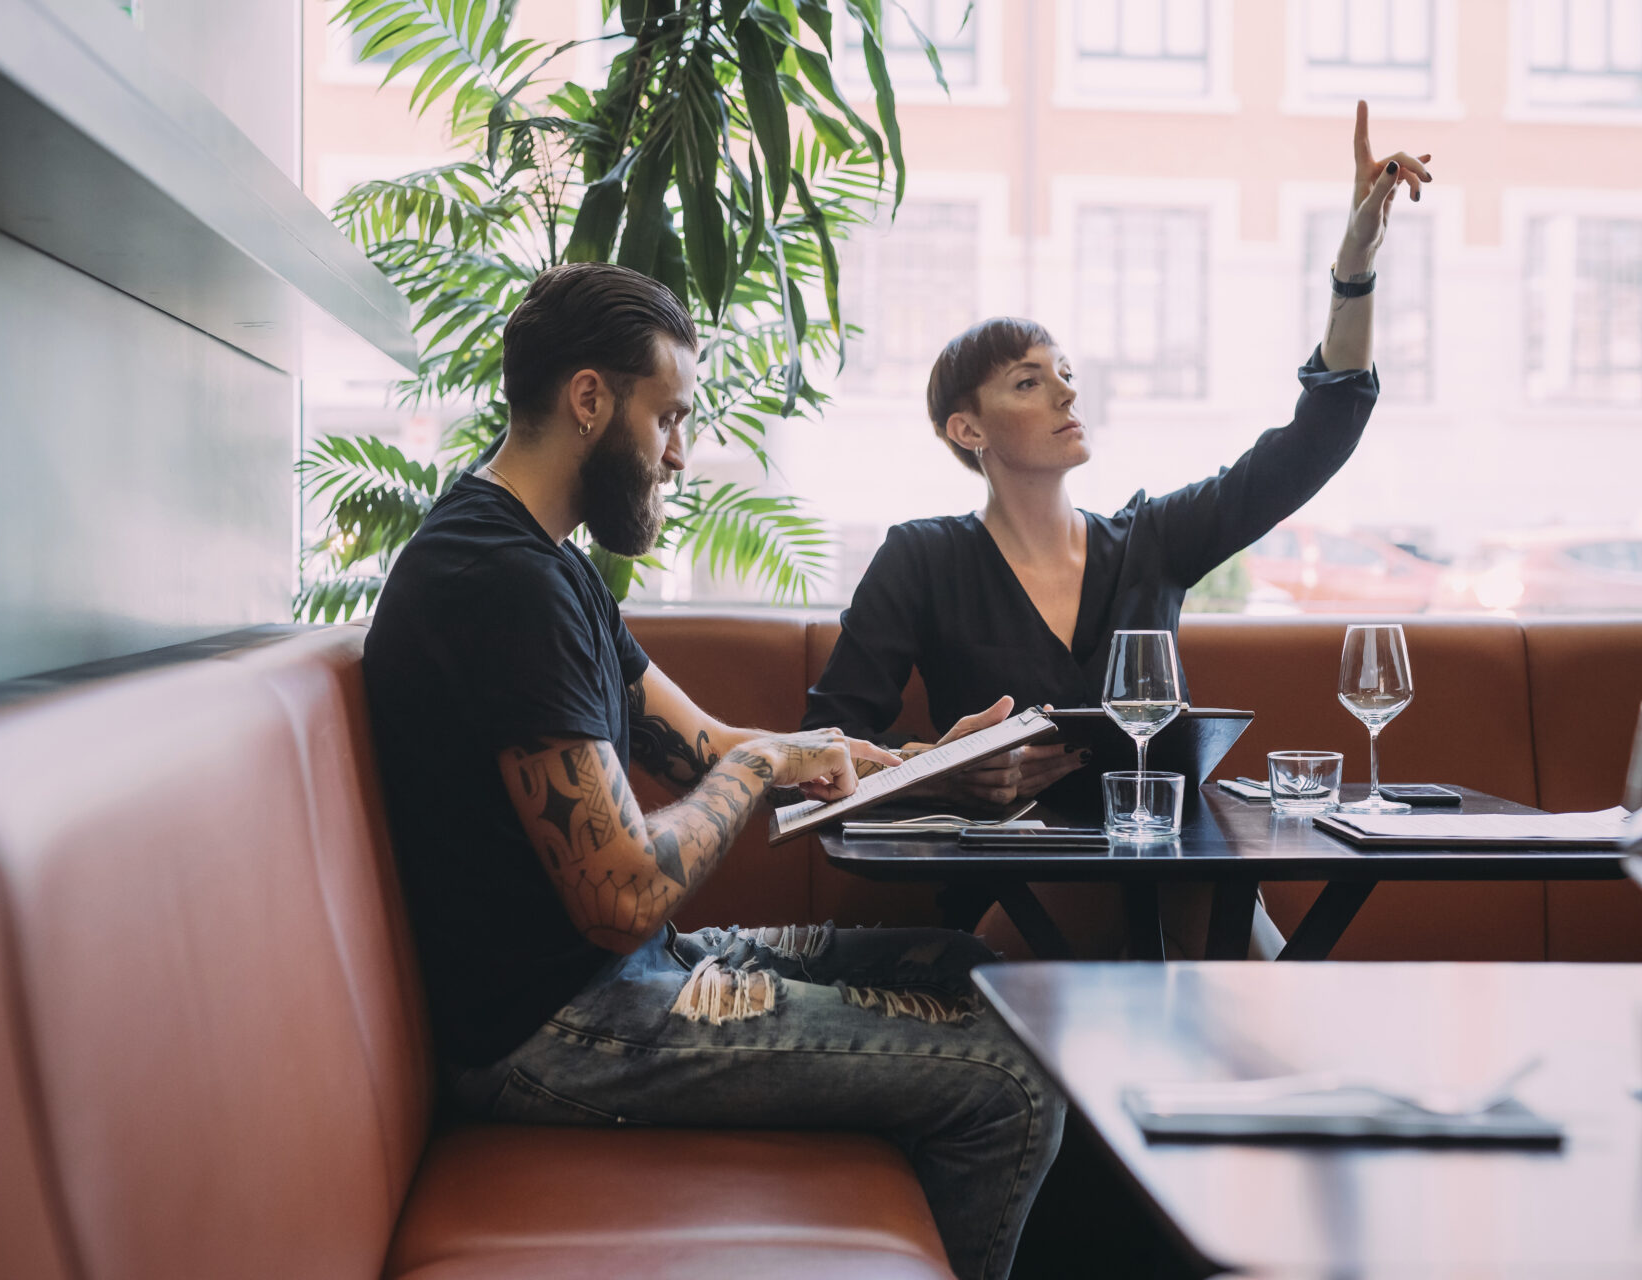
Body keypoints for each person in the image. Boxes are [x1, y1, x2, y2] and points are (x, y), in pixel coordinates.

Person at [362, 262, 1066, 1280]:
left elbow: (695, 739)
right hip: (559, 1034)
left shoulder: (547, 560)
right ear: (590, 398)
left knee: (967, 967)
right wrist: (774, 758)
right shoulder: (499, 581)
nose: (680, 454)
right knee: (1010, 1076)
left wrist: (914, 767)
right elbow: (623, 891)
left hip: (627, 979)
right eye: (669, 416)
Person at [803, 103, 1429, 944]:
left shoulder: (1153, 542)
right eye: (1028, 382)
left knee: (1253, 975)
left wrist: (1354, 269)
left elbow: (1316, 439)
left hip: (1172, 876)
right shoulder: (922, 559)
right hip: (1018, 888)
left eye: (1064, 373)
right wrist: (943, 771)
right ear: (968, 430)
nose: (1066, 392)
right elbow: (818, 746)